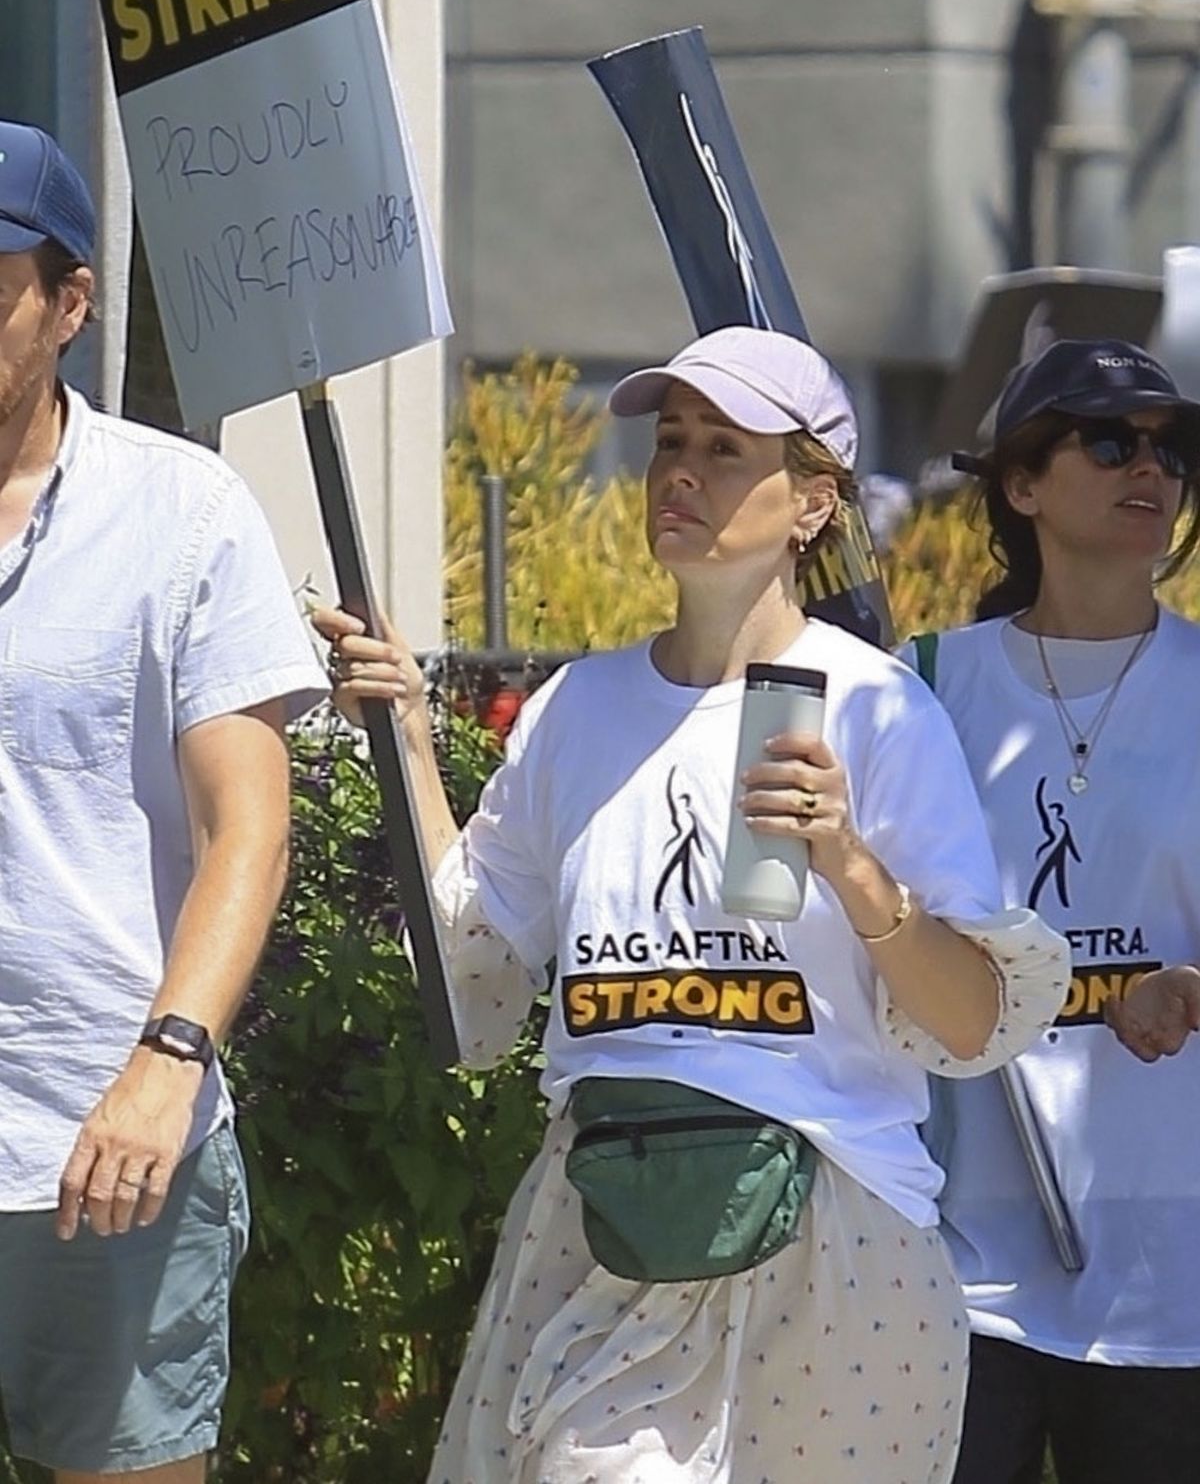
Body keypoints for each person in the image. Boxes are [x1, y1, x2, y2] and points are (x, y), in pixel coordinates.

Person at [318, 325, 1068, 1484]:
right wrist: (411, 739)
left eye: (727, 448)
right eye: (672, 440)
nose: (682, 470)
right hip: (610, 1218)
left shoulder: (873, 708)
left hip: (836, 1235)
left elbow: (970, 1022)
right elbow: (471, 979)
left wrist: (851, 865)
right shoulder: (579, 708)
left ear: (814, 502)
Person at [0, 120, 326, 1482]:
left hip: (109, 1141)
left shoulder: (182, 513)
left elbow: (243, 826)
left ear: (72, 304)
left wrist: (166, 1061)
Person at [897, 338, 1200, 1484]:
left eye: (1174, 451)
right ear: (1020, 485)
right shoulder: (918, 687)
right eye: (1112, 440)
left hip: (1173, 1279)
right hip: (954, 1266)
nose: (1153, 470)